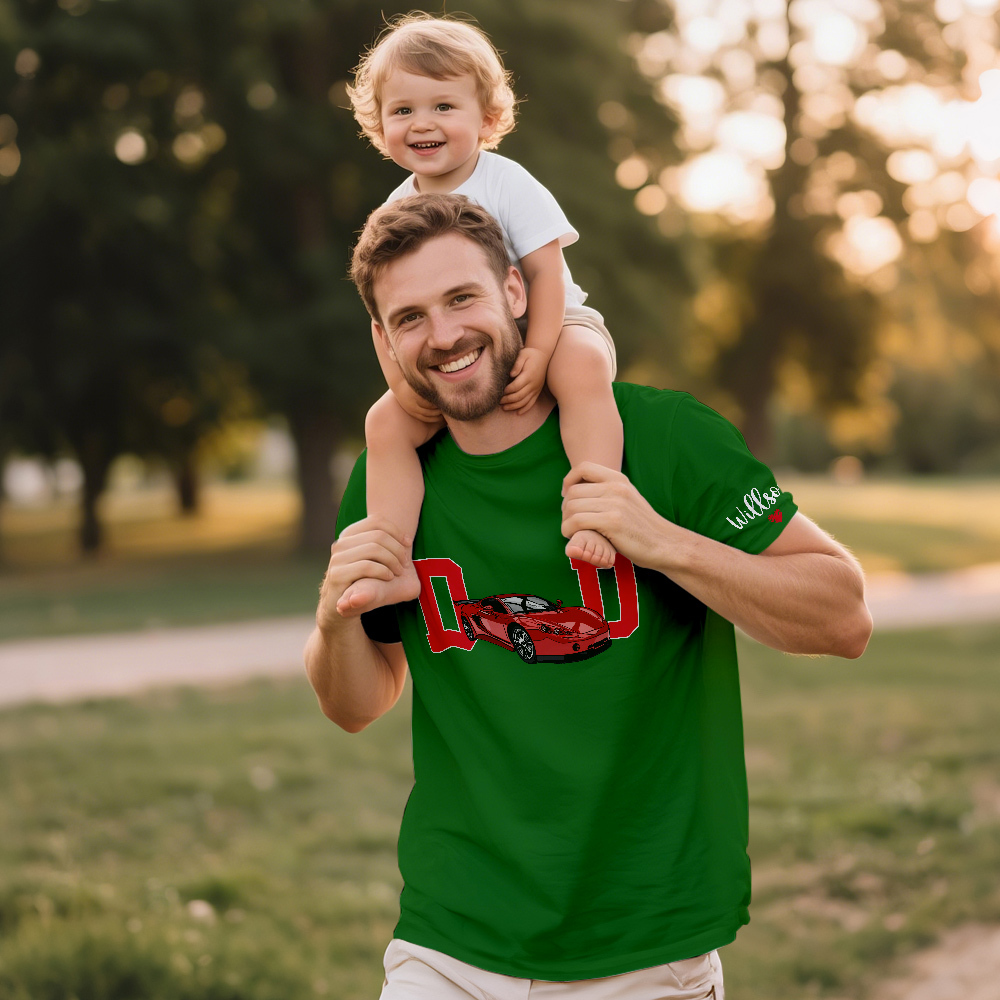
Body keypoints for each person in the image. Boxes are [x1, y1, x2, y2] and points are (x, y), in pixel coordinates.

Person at [304, 194, 873, 999]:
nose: (442, 337)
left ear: (514, 292)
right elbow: (356, 703)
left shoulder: (665, 438)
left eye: (461, 298)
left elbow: (844, 615)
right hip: (451, 938)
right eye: (409, 317)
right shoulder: (391, 483)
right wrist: (336, 618)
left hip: (644, 945)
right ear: (381, 339)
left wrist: (662, 541)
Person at [342, 12, 622, 618]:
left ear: (487, 119)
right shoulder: (395, 210)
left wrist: (539, 351)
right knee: (385, 424)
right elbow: (382, 312)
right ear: (379, 124)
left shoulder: (508, 183)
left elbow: (544, 275)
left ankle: (599, 508)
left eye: (444, 106)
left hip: (553, 323)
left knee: (580, 369)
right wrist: (401, 383)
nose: (422, 123)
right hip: (460, 354)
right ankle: (390, 557)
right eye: (403, 110)